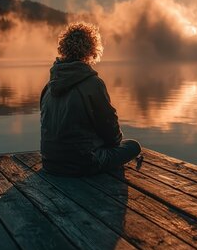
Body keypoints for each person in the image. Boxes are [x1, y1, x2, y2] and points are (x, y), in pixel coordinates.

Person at [40, 22, 141, 176]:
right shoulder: (93, 84)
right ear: (92, 50)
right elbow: (111, 132)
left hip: (50, 163)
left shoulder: (48, 87)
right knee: (133, 146)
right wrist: (110, 144)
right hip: (83, 164)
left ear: (63, 48)